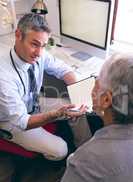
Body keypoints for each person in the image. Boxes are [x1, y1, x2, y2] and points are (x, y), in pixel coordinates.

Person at [0, 13, 86, 161]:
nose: (39, 53)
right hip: (13, 122)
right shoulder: (3, 75)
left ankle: (85, 154)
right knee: (60, 150)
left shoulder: (40, 53)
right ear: (18, 35)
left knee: (77, 108)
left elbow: (65, 70)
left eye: (43, 45)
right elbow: (22, 121)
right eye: (34, 44)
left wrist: (79, 94)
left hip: (35, 104)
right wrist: (56, 114)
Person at [49, 53, 133, 182]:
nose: (92, 87)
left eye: (96, 81)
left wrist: (76, 162)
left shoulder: (90, 159)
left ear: (106, 99)